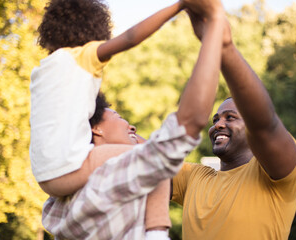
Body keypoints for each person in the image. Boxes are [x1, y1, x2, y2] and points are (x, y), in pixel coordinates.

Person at [41, 0, 226, 238]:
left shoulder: (57, 207)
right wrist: (212, 24)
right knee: (156, 158)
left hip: (52, 170)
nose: (132, 125)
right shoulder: (103, 182)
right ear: (96, 129)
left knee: (154, 161)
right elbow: (185, 127)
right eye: (118, 116)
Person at [171, 10, 296, 240]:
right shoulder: (193, 179)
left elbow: (264, 125)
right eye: (216, 119)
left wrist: (222, 46)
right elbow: (140, 153)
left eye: (230, 117)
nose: (218, 125)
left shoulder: (277, 173)